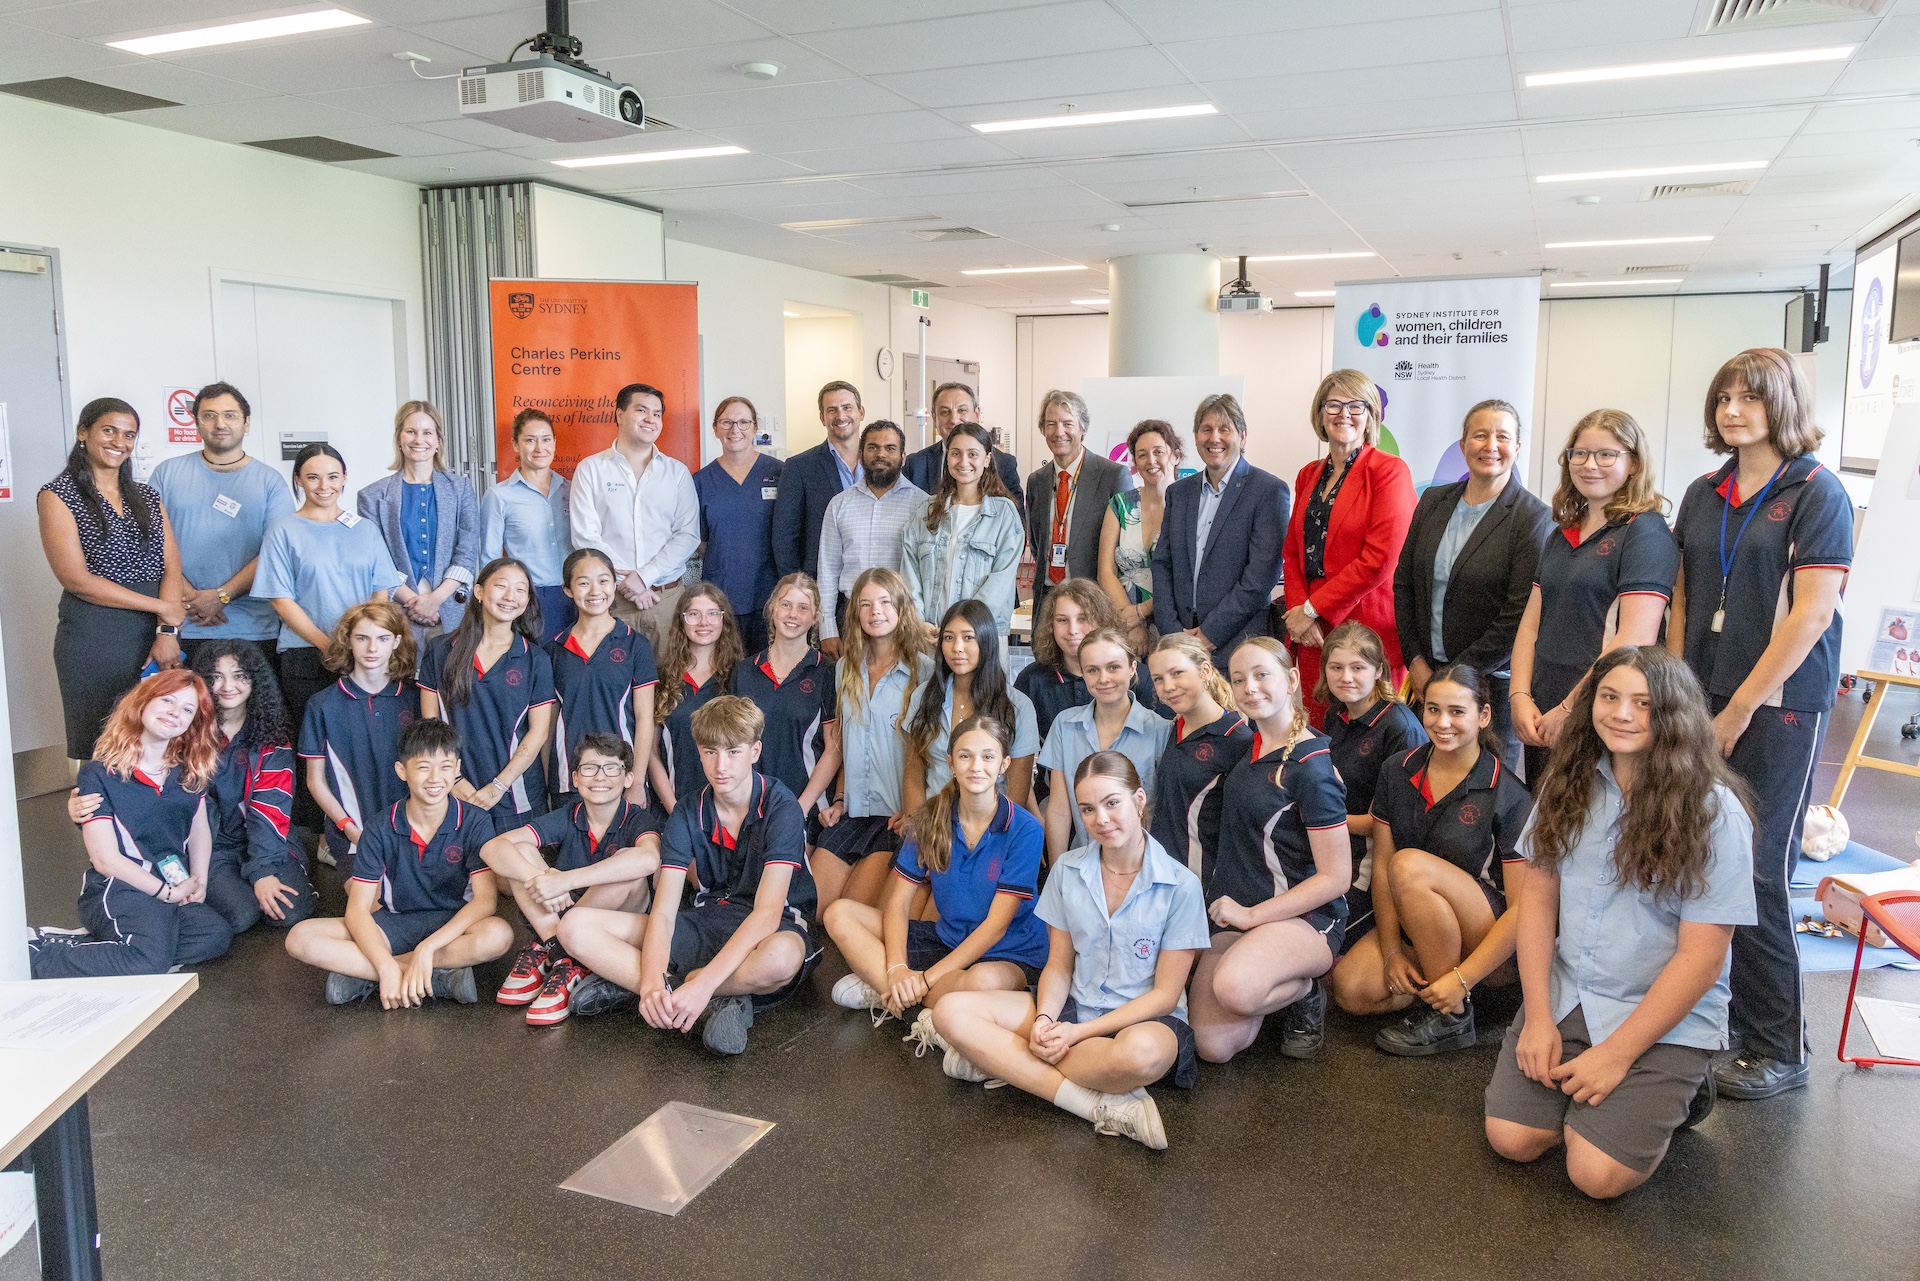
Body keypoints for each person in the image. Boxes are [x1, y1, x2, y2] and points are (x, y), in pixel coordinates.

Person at [1487, 646, 1755, 1199]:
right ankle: (1607, 1089)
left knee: (1595, 1176)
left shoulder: (1714, 812)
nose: (1623, 714)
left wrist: (1616, 1056)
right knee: (1511, 1139)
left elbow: (1702, 959)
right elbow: (1535, 905)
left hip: (1660, 1011)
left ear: (1675, 714)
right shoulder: (1570, 782)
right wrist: (1538, 1019)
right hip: (1572, 993)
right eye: (1609, 697)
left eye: (1643, 703)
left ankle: (1683, 1083)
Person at [1669, 348, 1851, 1101]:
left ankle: (1782, 1043)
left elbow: (1810, 615)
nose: (1734, 411)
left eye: (1751, 398)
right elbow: (1681, 599)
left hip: (1777, 705)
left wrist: (1740, 707)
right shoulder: (1703, 492)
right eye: (1724, 400)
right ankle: (1735, 1022)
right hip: (1701, 696)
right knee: (1705, 860)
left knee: (1758, 866)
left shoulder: (1817, 491)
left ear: (1783, 405)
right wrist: (1681, 694)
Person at [933, 752, 1210, 1150]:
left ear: (1139, 800)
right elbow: (1059, 966)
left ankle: (1007, 1064)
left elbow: (1165, 995)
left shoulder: (1181, 885)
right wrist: (1046, 1019)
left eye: (1112, 803)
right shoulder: (1066, 870)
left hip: (1142, 1021)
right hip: (1073, 1007)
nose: (1101, 819)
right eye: (1088, 809)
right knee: (950, 1010)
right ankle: (1092, 1103)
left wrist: (1078, 1034)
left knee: (1140, 1056)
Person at [558, 697, 819, 1056]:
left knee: (780, 960)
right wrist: (650, 983)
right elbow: (663, 913)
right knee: (573, 926)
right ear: (699, 751)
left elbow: (767, 915)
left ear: (755, 750)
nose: (721, 765)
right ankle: (697, 1001)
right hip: (705, 921)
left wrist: (703, 984)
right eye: (710, 752)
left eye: (733, 752)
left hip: (770, 928)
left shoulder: (781, 806)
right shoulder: (688, 810)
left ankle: (685, 992)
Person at [1330, 662, 1532, 1056]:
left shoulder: (1508, 793)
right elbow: (1383, 868)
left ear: (1484, 715)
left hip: (1493, 947)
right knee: (1352, 991)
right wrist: (1390, 951)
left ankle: (1453, 1013)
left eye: (1457, 711)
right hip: (1422, 923)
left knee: (1409, 866)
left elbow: (1524, 910)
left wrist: (1464, 977)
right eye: (1433, 709)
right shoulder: (1397, 769)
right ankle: (1438, 993)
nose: (1443, 723)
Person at [829, 716, 1048, 1060]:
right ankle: (910, 1003)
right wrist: (898, 969)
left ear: (1005, 764)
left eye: (988, 757)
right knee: (840, 914)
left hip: (1009, 951)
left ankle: (895, 994)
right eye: (965, 756)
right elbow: (899, 904)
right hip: (947, 939)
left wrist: (926, 979)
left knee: (983, 983)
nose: (976, 766)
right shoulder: (930, 819)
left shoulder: (1025, 829)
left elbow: (995, 927)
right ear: (950, 762)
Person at [1187, 637, 1350, 1063]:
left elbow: (1337, 877)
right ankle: (1269, 979)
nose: (1250, 687)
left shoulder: (1313, 768)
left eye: (1262, 675)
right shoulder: (1248, 748)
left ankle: (1306, 988)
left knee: (1235, 989)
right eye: (1239, 680)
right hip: (1242, 911)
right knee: (1213, 1047)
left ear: (1292, 679)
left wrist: (1254, 917)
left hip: (1303, 919)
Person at [284, 718, 513, 1007]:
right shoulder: (379, 827)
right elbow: (357, 910)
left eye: (445, 767)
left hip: (452, 924)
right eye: (423, 767)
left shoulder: (475, 821)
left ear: (456, 770)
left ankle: (366, 974)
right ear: (401, 771)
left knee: (498, 935)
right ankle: (431, 979)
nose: (435, 778)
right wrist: (385, 966)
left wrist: (427, 948)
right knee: (300, 937)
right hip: (393, 923)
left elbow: (485, 902)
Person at [28, 671, 233, 978]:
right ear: (143, 702)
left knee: (214, 935)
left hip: (170, 882)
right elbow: (105, 859)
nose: (176, 712)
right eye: (167, 700)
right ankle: (35, 955)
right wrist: (166, 894)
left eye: (188, 709)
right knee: (148, 962)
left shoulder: (189, 770)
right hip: (119, 887)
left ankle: (110, 945)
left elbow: (199, 829)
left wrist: (198, 880)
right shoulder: (98, 773)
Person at [1512, 409, 1677, 783]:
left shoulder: (1645, 533)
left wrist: (1572, 707)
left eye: (1607, 454)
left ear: (1634, 463)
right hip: (1542, 708)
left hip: (1600, 709)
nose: (1590, 464)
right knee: (1546, 826)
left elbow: (1634, 637)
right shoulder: (1562, 533)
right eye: (1579, 453)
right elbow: (1531, 625)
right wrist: (1520, 696)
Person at [256, 442, 410, 830]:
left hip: (368, 659)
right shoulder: (283, 529)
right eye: (312, 476)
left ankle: (375, 824)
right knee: (315, 752)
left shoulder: (365, 529)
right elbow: (281, 598)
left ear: (344, 479)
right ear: (298, 480)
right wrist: (332, 645)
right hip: (308, 655)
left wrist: (367, 642)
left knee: (366, 747)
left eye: (332, 476)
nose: (323, 485)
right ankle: (323, 836)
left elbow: (381, 592)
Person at [1394, 400, 1553, 770]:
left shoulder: (1533, 517)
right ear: (1463, 443)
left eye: (1502, 436)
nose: (1490, 445)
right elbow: (1404, 585)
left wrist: (1452, 679)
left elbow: (1517, 614)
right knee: (1424, 782)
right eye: (1479, 435)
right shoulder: (1433, 500)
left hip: (1489, 688)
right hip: (1425, 677)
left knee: (1484, 796)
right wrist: (1415, 661)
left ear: (1517, 447)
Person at [39, 398, 188, 760]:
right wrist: (162, 608)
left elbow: (171, 567)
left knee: (155, 743)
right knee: (103, 745)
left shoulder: (148, 497)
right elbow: (76, 579)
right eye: (109, 430)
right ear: (82, 433)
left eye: (129, 435)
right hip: (94, 637)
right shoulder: (57, 496)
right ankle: (98, 818)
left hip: (153, 633)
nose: (119, 442)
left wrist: (166, 632)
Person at [480, 733, 662, 1025]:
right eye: (590, 768)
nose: (599, 777)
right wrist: (538, 877)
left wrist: (564, 881)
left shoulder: (637, 818)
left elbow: (649, 859)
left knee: (626, 865)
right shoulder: (568, 815)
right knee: (520, 852)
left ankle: (558, 951)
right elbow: (492, 847)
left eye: (611, 768)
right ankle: (563, 953)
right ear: (575, 778)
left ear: (628, 779)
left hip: (615, 922)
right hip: (565, 916)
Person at [1280, 372, 1417, 725]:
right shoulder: (1308, 474)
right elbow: (1293, 552)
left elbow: (1381, 559)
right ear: (1320, 414)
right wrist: (1299, 613)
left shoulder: (1389, 472)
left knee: (1370, 737)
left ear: (1370, 415)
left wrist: (1312, 609)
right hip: (1311, 634)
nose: (1344, 414)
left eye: (1356, 405)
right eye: (1334, 405)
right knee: (1320, 731)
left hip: (1366, 630)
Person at [151, 382, 294, 670]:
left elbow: (276, 553)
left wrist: (222, 596)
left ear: (246, 423)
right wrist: (191, 598)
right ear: (196, 423)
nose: (220, 424)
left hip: (254, 629)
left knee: (257, 714)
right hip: (183, 626)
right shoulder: (166, 474)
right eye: (209, 415)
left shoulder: (270, 482)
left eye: (230, 415)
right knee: (188, 714)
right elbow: (152, 544)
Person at [815, 568, 931, 907]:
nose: (875, 611)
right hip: (853, 812)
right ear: (855, 613)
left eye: (884, 602)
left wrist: (914, 813)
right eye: (865, 604)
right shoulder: (845, 669)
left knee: (847, 911)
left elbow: (928, 754)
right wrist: (838, 799)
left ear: (901, 608)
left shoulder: (924, 672)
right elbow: (846, 744)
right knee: (816, 911)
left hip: (894, 819)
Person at [418, 558, 556, 826]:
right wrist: (454, 780)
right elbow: (429, 726)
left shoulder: (535, 659)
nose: (510, 597)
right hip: (452, 793)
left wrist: (499, 786)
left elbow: (538, 733)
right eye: (501, 586)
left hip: (517, 797)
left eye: (520, 590)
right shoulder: (440, 650)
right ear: (479, 592)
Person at [1317, 621, 1427, 954]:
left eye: (1357, 668)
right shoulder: (1336, 714)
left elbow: (1396, 822)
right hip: (1334, 839)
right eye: (1336, 667)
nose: (1345, 677)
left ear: (1379, 670)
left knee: (1324, 937)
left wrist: (1323, 821)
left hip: (1374, 853)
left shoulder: (1399, 727)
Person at [1151, 394, 1290, 656]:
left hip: (1239, 646)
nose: (1214, 438)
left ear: (1243, 436)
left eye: (1224, 429)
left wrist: (1210, 633)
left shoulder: (1268, 491)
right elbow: (1162, 564)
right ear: (1195, 437)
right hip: (1180, 644)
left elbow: (1261, 576)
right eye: (1206, 429)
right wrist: (1172, 633)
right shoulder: (1178, 493)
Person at [192, 640, 313, 932]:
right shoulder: (188, 732)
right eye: (216, 676)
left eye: (239, 675)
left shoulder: (272, 735)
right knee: (241, 915)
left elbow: (270, 808)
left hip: (267, 840)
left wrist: (263, 872)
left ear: (255, 680)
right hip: (212, 849)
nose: (227, 686)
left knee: (289, 913)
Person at [570, 382, 700, 649]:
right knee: (613, 684)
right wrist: (627, 584)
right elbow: (586, 537)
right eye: (641, 410)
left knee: (670, 684)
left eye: (656, 413)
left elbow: (687, 535)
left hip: (666, 600)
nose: (650, 419)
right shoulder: (591, 469)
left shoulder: (676, 473)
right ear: (619, 414)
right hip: (610, 600)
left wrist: (643, 577)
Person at [1015, 580, 1159, 814]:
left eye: (1083, 618)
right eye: (1062, 620)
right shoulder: (1033, 680)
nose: (1073, 630)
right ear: (1050, 625)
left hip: (1129, 811)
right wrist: (1035, 823)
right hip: (1053, 803)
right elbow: (1017, 759)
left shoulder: (1139, 679)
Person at [299, 601, 420, 876]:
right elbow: (314, 781)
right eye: (362, 638)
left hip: (413, 830)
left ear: (396, 642)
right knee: (372, 908)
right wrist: (348, 828)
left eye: (383, 638)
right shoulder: (322, 705)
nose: (372, 648)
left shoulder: (415, 698)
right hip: (353, 836)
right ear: (348, 641)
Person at [1038, 628, 1171, 861]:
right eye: (1092, 670)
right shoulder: (1065, 725)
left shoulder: (1160, 730)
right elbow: (1059, 810)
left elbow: (1161, 812)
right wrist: (1058, 872)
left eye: (1113, 667)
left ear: (1132, 669)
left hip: (1141, 863)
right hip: (1082, 862)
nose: (1104, 679)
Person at [357, 399, 480, 637]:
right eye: (410, 431)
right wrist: (414, 601)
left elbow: (467, 550)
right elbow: (375, 561)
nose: (418, 439)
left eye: (427, 432)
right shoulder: (371, 496)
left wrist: (435, 600)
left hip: (451, 607)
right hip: (398, 610)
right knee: (402, 673)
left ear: (437, 441)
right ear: (399, 439)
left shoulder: (461, 488)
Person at [544, 548, 656, 807]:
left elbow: (644, 719)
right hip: (569, 779)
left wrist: (637, 781)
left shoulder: (635, 645)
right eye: (583, 583)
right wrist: (547, 783)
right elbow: (547, 726)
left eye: (604, 581)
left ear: (614, 585)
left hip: (621, 777)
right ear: (568, 590)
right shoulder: (553, 651)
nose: (595, 591)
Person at [905, 600, 1039, 816]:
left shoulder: (1018, 705)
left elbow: (1017, 790)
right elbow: (913, 772)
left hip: (991, 827)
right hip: (932, 821)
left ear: (986, 641)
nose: (957, 647)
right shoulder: (923, 696)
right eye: (949, 637)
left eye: (968, 637)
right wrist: (917, 827)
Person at [731, 574, 840, 840]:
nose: (793, 614)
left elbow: (834, 749)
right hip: (749, 807)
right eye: (786, 605)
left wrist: (798, 809)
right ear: (772, 609)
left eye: (803, 608)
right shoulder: (744, 671)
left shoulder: (826, 672)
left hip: (807, 808)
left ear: (815, 617)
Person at [900, 423, 1025, 639]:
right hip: (931, 637)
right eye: (955, 453)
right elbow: (910, 575)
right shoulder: (926, 511)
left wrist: (961, 628)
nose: (963, 462)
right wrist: (919, 623)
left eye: (973, 454)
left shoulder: (1004, 514)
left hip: (982, 639)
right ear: (947, 458)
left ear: (987, 460)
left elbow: (1000, 582)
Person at [1145, 633, 1253, 880]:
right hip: (1160, 870)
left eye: (1177, 673)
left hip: (1200, 880)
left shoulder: (1237, 741)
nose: (1168, 687)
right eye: (1158, 679)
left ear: (1204, 671)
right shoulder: (1174, 727)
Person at [816, 421, 925, 655]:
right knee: (850, 688)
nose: (881, 454)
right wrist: (827, 630)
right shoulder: (839, 505)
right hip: (851, 617)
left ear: (903, 457)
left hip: (903, 616)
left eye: (890, 448)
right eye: (873, 447)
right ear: (861, 454)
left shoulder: (922, 506)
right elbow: (827, 571)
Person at [1025, 391, 1131, 620]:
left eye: (1067, 423)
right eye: (1051, 424)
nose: (1058, 432)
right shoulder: (1036, 481)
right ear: (1043, 430)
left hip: (1094, 603)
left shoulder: (1113, 476)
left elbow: (1126, 547)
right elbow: (1036, 542)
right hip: (1047, 601)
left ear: (1083, 428)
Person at [694, 396, 782, 653]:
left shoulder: (780, 473)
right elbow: (701, 542)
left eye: (744, 422)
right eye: (727, 422)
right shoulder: (701, 481)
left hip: (770, 594)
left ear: (755, 428)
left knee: (766, 671)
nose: (736, 430)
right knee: (726, 670)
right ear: (715, 428)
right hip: (722, 594)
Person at [648, 581, 745, 814]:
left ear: (724, 620)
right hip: (674, 804)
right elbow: (651, 753)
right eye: (694, 614)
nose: (704, 622)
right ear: (681, 620)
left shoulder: (741, 676)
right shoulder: (662, 678)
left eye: (713, 613)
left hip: (731, 809)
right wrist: (674, 809)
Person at [478, 407, 574, 636]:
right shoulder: (499, 496)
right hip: (528, 600)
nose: (540, 448)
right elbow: (489, 559)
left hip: (575, 597)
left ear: (554, 443)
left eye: (546, 439)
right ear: (515, 445)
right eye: (530, 440)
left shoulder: (572, 490)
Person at [1099, 420, 1182, 654]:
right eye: (1142, 454)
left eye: (1159, 452)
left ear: (1175, 456)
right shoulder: (1120, 505)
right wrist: (1132, 624)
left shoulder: (1189, 505)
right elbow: (1105, 571)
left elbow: (1186, 576)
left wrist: (1141, 612)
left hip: (1175, 625)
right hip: (1122, 624)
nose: (1151, 461)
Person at [772, 380, 865, 583]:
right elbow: (785, 538)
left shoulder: (879, 464)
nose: (841, 416)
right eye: (832, 410)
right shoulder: (800, 467)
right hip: (820, 584)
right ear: (822, 418)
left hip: (872, 585)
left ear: (861, 412)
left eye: (847, 407)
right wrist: (796, 588)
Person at [900, 381, 1025, 521]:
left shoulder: (1004, 463)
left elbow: (1016, 523)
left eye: (962, 410)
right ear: (934, 417)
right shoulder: (915, 464)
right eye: (945, 412)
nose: (953, 419)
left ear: (976, 413)